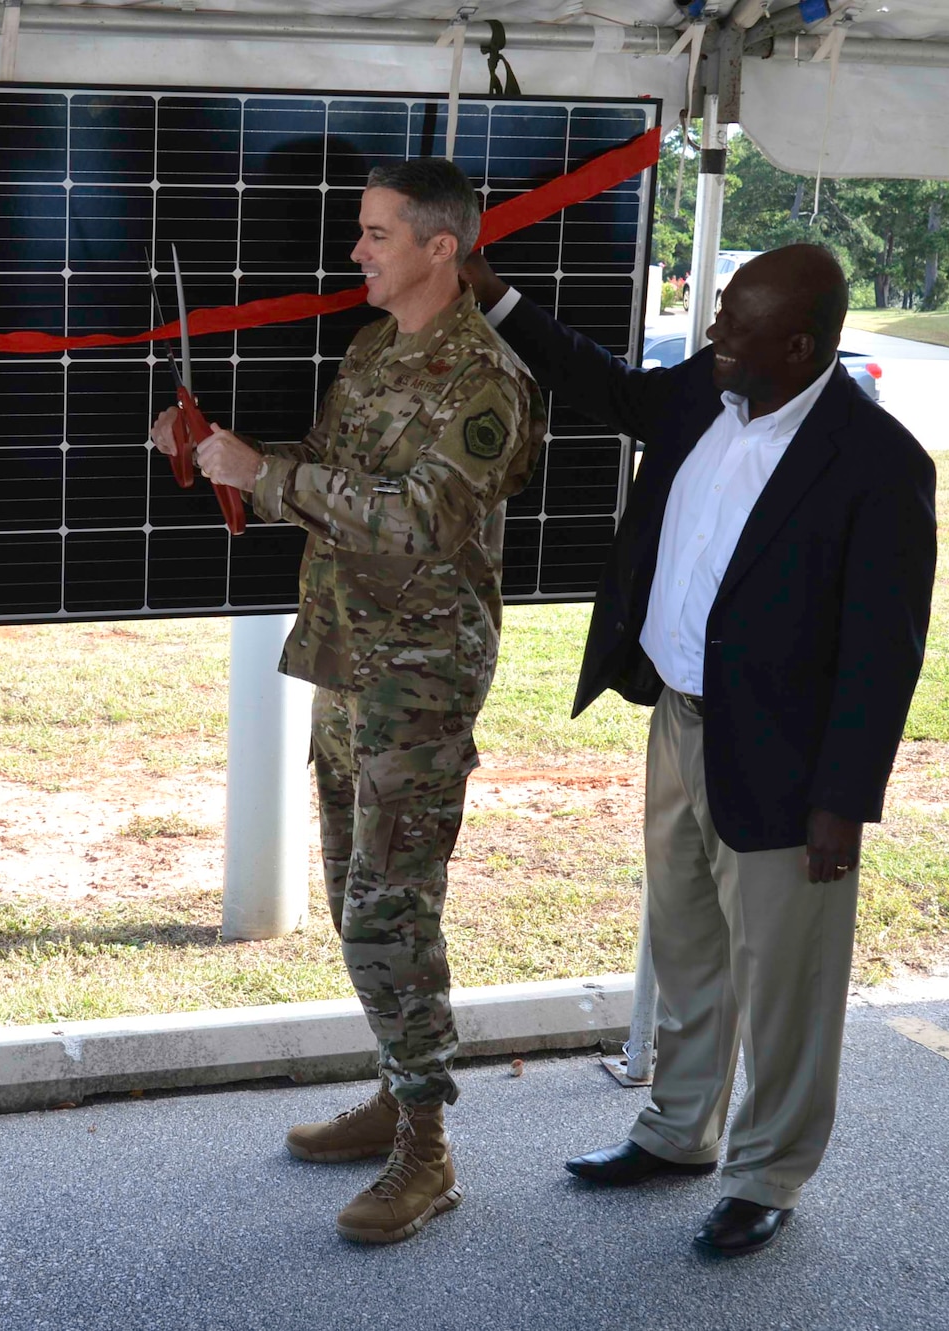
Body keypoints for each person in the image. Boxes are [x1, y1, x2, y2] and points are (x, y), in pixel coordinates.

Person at [462, 245, 936, 1256]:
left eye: (733, 321)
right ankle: (679, 1130)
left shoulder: (877, 465)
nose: (711, 332)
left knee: (785, 978)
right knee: (684, 942)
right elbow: (605, 385)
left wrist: (838, 801)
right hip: (678, 720)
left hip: (787, 758)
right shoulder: (702, 392)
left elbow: (879, 656)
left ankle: (767, 1170)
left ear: (797, 345)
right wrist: (494, 293)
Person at [156, 159, 545, 1245]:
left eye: (375, 234)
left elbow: (418, 518)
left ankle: (426, 1146)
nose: (355, 252)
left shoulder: (485, 381)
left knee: (391, 902)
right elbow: (335, 490)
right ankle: (395, 1088)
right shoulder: (373, 351)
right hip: (345, 656)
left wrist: (268, 475)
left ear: (438, 248)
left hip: (419, 675)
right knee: (352, 890)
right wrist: (228, 460)